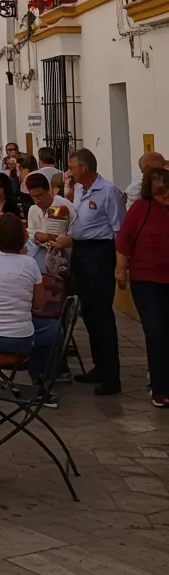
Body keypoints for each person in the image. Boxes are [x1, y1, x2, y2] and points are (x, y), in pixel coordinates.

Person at [0, 212, 61, 421]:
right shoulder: (29, 264)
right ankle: (39, 380)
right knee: (56, 329)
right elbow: (39, 304)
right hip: (20, 342)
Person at [56, 147, 126, 395]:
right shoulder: (78, 190)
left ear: (84, 168)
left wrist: (120, 266)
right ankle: (99, 365)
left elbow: (119, 229)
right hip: (81, 252)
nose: (69, 171)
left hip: (100, 252)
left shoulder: (108, 192)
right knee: (87, 311)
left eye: (72, 167)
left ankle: (111, 375)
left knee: (101, 314)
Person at [116, 166, 169, 407]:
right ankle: (160, 388)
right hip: (146, 280)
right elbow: (124, 241)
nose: (164, 196)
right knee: (156, 332)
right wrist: (120, 270)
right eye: (159, 192)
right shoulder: (140, 209)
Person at [26, 172, 76, 275]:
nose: (37, 200)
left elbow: (76, 233)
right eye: (33, 196)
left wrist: (66, 241)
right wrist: (37, 235)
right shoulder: (33, 210)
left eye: (40, 195)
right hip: (41, 264)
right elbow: (30, 236)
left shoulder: (64, 206)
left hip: (67, 262)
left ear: (48, 189)